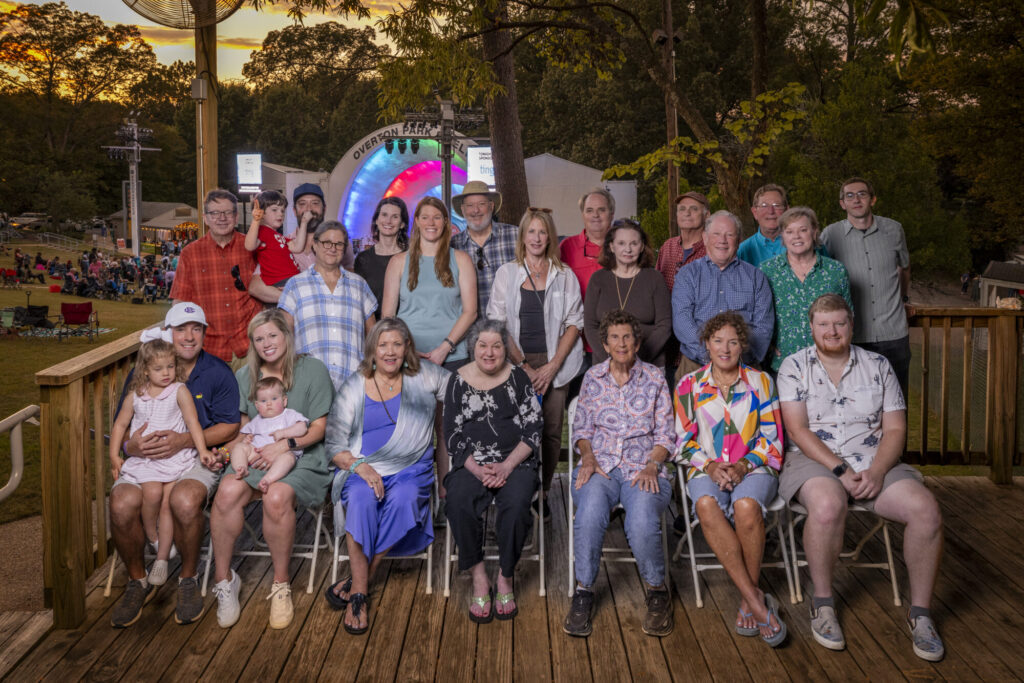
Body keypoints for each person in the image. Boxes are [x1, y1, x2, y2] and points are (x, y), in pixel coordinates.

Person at [777, 293, 944, 661]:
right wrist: (841, 470)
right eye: (823, 324)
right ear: (811, 328)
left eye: (839, 323)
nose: (832, 331)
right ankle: (823, 605)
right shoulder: (793, 366)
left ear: (852, 325)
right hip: (815, 461)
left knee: (926, 511)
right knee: (826, 506)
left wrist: (878, 470)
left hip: (873, 459)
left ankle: (921, 615)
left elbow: (896, 429)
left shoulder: (879, 365)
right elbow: (798, 430)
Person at [108, 302, 241, 628]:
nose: (189, 335)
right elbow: (122, 424)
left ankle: (188, 577)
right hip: (144, 460)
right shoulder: (143, 374)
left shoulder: (217, 372)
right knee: (123, 503)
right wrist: (128, 448)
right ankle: (137, 580)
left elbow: (230, 426)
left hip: (194, 456)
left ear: (205, 333)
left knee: (183, 500)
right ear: (169, 332)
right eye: (181, 329)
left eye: (196, 328)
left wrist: (184, 442)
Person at [209, 309, 334, 630]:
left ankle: (280, 584)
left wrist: (284, 446)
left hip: (304, 455)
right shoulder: (244, 377)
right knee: (227, 491)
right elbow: (245, 430)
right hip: (257, 455)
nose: (267, 343)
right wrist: (235, 452)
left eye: (273, 335)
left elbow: (319, 427)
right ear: (252, 343)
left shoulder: (313, 370)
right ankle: (224, 581)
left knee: (276, 496)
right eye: (259, 338)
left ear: (287, 337)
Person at [323, 317, 450, 634]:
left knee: (405, 498)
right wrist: (360, 467)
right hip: (365, 466)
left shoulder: (425, 375)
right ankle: (360, 595)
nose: (390, 352)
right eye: (383, 345)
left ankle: (358, 583)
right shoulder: (356, 385)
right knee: (361, 499)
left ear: (408, 347)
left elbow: (466, 391)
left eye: (397, 343)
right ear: (372, 350)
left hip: (412, 468)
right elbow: (334, 444)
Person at [674, 313, 786, 647]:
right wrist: (709, 466)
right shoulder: (688, 385)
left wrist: (742, 466)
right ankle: (755, 600)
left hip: (754, 467)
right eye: (718, 341)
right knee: (707, 505)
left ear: (743, 346)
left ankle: (746, 599)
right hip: (706, 467)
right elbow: (681, 440)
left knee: (746, 506)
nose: (725, 348)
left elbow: (773, 439)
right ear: (706, 344)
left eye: (733, 341)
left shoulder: (761, 382)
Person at [564, 310, 676, 638]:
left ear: (638, 341)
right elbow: (581, 428)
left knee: (642, 519)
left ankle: (657, 591)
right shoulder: (593, 378)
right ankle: (583, 591)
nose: (622, 343)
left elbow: (666, 434)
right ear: (604, 344)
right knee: (589, 513)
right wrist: (586, 458)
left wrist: (653, 463)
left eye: (628, 336)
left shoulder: (655, 378)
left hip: (645, 467)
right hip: (599, 466)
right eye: (615, 337)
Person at [444, 319, 542, 622]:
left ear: (505, 349)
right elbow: (452, 434)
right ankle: (478, 576)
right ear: (473, 347)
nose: (489, 352)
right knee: (458, 500)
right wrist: (477, 469)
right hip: (472, 463)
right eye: (482, 345)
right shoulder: (457, 380)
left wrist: (507, 465)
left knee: (515, 505)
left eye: (497, 345)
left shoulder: (518, 379)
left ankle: (505, 576)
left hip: (516, 461)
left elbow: (534, 429)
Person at [486, 207, 583, 510]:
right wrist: (524, 367)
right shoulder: (507, 272)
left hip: (557, 361)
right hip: (516, 362)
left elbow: (574, 322)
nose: (537, 237)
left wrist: (552, 366)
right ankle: (516, 488)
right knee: (516, 429)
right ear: (523, 236)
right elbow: (498, 322)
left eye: (543, 232)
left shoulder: (564, 275)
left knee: (551, 430)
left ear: (550, 236)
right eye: (531, 231)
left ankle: (541, 491)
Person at [108, 339, 217, 589]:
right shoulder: (136, 396)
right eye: (159, 369)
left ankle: (161, 559)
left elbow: (193, 423)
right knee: (153, 493)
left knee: (168, 501)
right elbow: (120, 426)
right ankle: (154, 536)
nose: (166, 373)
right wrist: (115, 456)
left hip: (174, 459)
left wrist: (202, 451)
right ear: (145, 369)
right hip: (147, 460)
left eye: (170, 366)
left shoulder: (179, 390)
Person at [821, 177, 913, 399]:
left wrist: (904, 299)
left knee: (898, 403)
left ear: (873, 199)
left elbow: (904, 268)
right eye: (849, 195)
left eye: (862, 194)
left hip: (894, 334)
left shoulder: (894, 229)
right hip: (853, 337)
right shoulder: (830, 235)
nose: (856, 199)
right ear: (842, 203)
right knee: (857, 406)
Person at [672, 210, 774, 379]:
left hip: (745, 368)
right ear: (705, 238)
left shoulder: (757, 277)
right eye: (716, 234)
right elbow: (682, 320)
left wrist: (735, 358)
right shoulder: (687, 274)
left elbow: (763, 327)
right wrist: (710, 354)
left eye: (730, 235)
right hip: (695, 367)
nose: (722, 241)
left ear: (739, 240)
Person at [277, 220, 377, 390]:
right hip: (308, 384)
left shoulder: (359, 285)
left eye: (339, 244)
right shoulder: (295, 285)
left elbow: (374, 335)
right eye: (326, 242)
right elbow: (284, 337)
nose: (332, 248)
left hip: (354, 383)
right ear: (315, 245)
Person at [382, 196, 477, 371]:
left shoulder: (461, 260)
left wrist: (445, 347)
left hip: (453, 355)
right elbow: (388, 316)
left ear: (445, 222)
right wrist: (404, 347)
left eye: (437, 217)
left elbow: (470, 312)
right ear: (417, 221)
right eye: (425, 217)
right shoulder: (398, 262)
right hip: (407, 355)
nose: (431, 223)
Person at [169, 188, 262, 363]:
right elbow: (180, 302)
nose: (221, 218)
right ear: (205, 218)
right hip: (209, 349)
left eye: (227, 212)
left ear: (236, 217)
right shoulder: (191, 253)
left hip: (250, 346)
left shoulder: (252, 246)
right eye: (214, 213)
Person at [759, 207, 852, 372]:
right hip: (783, 364)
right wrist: (767, 346)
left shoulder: (835, 271)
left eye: (803, 230)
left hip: (828, 364)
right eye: (789, 231)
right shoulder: (767, 271)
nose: (796, 236)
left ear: (814, 232)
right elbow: (758, 316)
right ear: (782, 236)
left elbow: (849, 317)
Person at [583, 218, 672, 368]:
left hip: (648, 364)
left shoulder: (655, 278)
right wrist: (612, 359)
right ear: (611, 246)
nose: (628, 249)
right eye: (621, 243)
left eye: (634, 243)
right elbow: (590, 325)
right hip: (605, 365)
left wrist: (634, 359)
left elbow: (664, 326)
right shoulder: (598, 279)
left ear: (642, 246)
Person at [248, 183, 354, 304]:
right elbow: (255, 287)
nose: (309, 209)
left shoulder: (339, 244)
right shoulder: (279, 243)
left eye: (315, 203)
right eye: (302, 204)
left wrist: (306, 294)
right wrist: (294, 297)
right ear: (294, 211)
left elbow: (349, 283)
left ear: (324, 209)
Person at [229, 376, 308, 493]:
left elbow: (302, 428)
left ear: (284, 401)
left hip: (280, 455)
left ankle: (267, 479)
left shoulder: (289, 415)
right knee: (239, 447)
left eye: (274, 398)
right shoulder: (257, 420)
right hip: (256, 455)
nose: (269, 404)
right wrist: (247, 439)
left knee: (289, 458)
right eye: (263, 401)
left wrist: (284, 432)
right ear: (256, 405)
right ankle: (241, 468)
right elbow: (245, 435)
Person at [450, 180, 518, 316]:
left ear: (491, 206)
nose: (476, 210)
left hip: (511, 326)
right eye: (470, 205)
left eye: (481, 204)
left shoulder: (515, 236)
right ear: (463, 210)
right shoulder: (453, 245)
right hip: (469, 330)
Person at [560, 187, 615, 302]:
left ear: (612, 214)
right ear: (583, 215)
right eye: (589, 210)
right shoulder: (567, 247)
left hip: (617, 317)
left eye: (601, 210)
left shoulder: (624, 247)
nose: (595, 215)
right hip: (579, 318)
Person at [243, 190, 307, 289]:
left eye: (282, 210)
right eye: (274, 210)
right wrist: (256, 221)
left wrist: (304, 223)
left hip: (291, 279)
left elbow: (298, 247)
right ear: (261, 213)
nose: (280, 214)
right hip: (281, 281)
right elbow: (249, 245)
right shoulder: (262, 231)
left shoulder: (278, 236)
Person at [353, 197, 409, 308]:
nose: (388, 221)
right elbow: (360, 300)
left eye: (395, 217)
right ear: (376, 220)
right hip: (374, 324)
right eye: (384, 215)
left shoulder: (411, 256)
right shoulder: (363, 259)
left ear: (402, 224)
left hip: (406, 323)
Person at [654, 191, 710, 293]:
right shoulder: (667, 247)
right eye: (682, 209)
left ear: (706, 215)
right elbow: (655, 286)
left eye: (694, 209)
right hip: (667, 308)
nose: (687, 213)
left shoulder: (713, 249)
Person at [737, 184, 790, 266]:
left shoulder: (802, 245)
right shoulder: (742, 251)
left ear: (787, 210)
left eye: (777, 205)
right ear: (755, 212)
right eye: (764, 206)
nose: (771, 211)